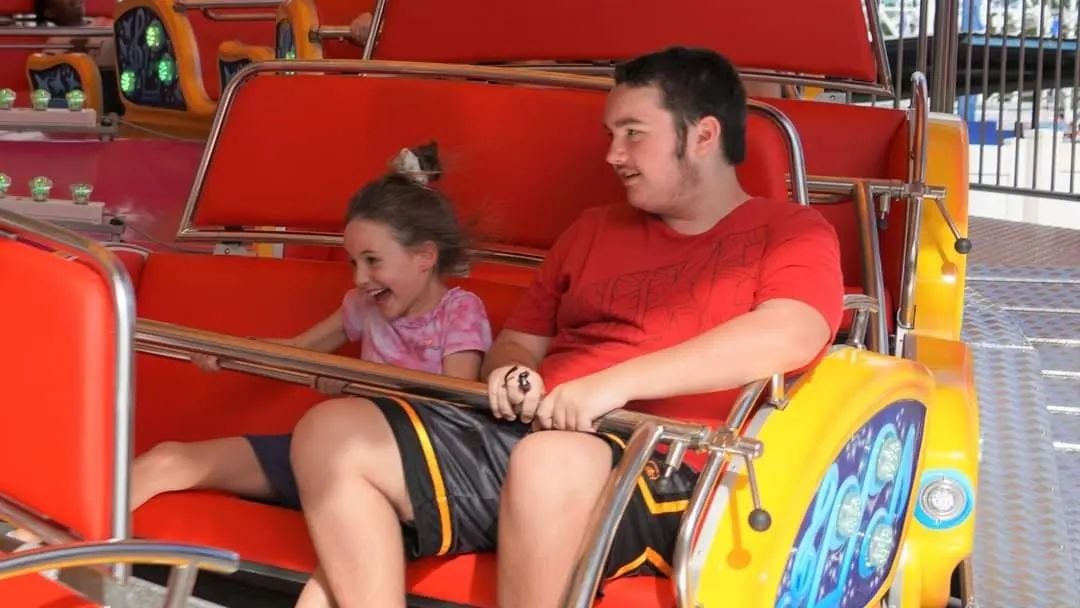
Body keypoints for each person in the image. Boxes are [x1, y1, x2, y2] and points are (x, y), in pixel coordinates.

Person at [289, 46, 844, 608]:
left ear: (703, 135)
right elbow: (517, 343)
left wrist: (613, 385)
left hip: (667, 464)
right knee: (329, 432)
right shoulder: (591, 229)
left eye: (633, 134)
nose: (613, 154)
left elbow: (790, 331)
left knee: (550, 462)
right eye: (611, 135)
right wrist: (513, 373)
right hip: (529, 436)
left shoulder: (791, 230)